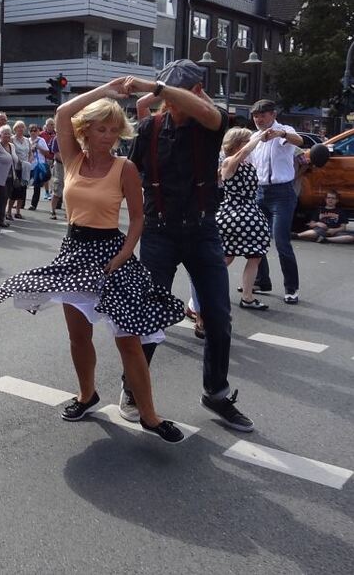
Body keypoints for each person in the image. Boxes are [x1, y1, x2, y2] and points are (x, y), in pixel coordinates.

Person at [0, 84, 186, 444]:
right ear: (86, 131)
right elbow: (63, 114)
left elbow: (138, 219)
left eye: (114, 130)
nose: (108, 137)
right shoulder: (74, 158)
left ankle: (150, 416)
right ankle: (86, 395)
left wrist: (124, 255)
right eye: (101, 129)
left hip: (111, 255)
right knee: (79, 335)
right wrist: (109, 90)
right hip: (74, 253)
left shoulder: (124, 167)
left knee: (129, 341)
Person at [124, 60, 254, 432]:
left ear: (197, 92)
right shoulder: (150, 127)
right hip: (159, 232)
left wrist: (159, 89)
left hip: (202, 231)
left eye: (177, 94)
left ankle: (216, 392)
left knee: (217, 316)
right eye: (165, 93)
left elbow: (208, 111)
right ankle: (131, 388)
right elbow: (130, 178)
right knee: (148, 313)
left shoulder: (213, 125)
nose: (170, 103)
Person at [247, 99, 304, 304]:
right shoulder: (254, 137)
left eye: (262, 115)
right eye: (255, 116)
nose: (258, 119)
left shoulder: (284, 130)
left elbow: (299, 141)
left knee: (281, 241)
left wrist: (282, 134)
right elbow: (246, 162)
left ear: (273, 115)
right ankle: (262, 281)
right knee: (256, 241)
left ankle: (291, 288)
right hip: (260, 192)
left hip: (282, 193)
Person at [215, 128, 271, 310]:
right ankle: (244, 297)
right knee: (246, 256)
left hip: (237, 215)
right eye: (247, 140)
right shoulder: (229, 162)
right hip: (241, 215)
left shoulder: (243, 163)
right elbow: (244, 152)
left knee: (238, 256)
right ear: (239, 144)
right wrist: (258, 137)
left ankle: (244, 296)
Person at [9, 120, 31, 219]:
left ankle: (18, 211)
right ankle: (8, 211)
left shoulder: (27, 140)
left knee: (23, 191)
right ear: (15, 129)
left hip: (25, 168)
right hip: (16, 167)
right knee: (15, 190)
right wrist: (18, 161)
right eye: (19, 127)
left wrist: (28, 162)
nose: (21, 129)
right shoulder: (12, 139)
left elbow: (30, 153)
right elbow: (10, 152)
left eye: (22, 127)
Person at [27, 123, 51, 211]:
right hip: (29, 165)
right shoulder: (27, 140)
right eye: (31, 130)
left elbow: (47, 153)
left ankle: (33, 204)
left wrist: (38, 147)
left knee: (36, 186)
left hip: (38, 165)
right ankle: (20, 203)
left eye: (35, 130)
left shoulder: (41, 140)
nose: (33, 132)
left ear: (38, 131)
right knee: (23, 184)